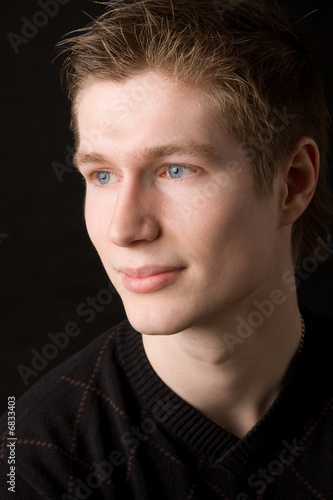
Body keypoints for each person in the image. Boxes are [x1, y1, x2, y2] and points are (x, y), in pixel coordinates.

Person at [1, 0, 332, 498]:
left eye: (176, 169)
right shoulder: (34, 460)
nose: (124, 228)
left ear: (292, 182)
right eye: (102, 175)